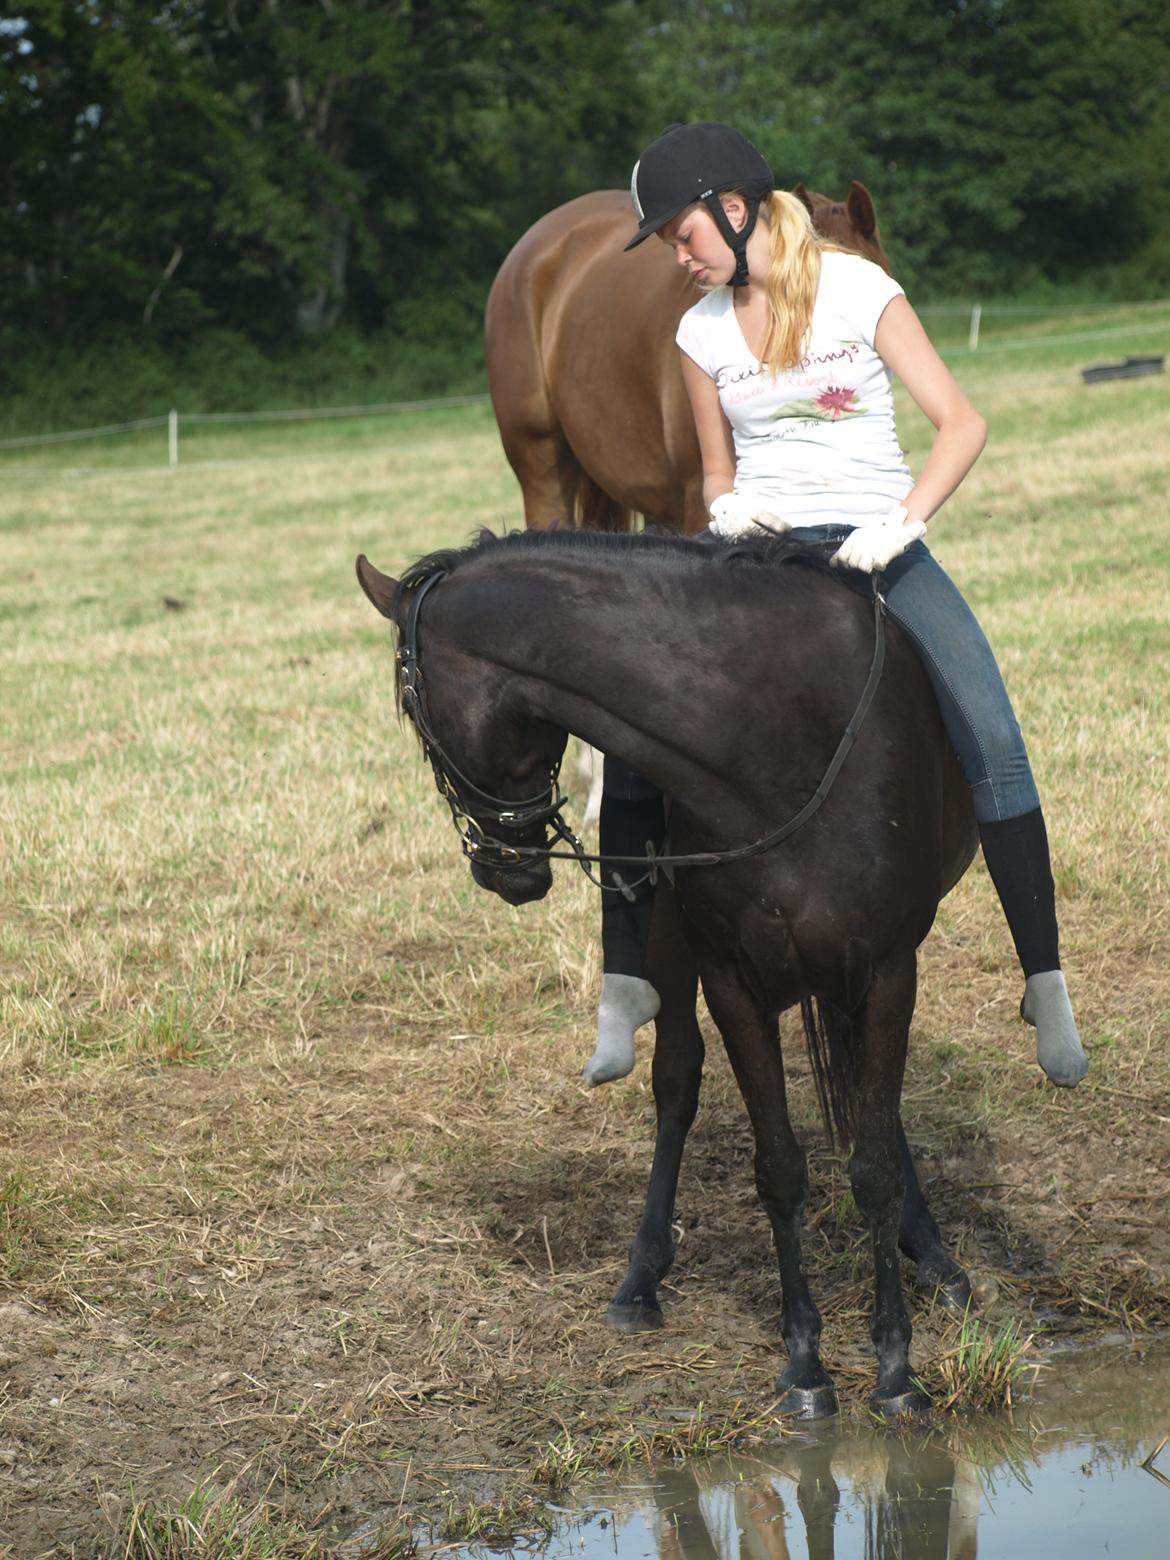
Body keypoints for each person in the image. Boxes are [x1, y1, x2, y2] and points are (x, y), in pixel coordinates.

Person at [582, 121, 1087, 1091]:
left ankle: (1045, 976)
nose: (678, 259)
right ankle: (627, 980)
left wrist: (903, 520)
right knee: (646, 721)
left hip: (876, 540)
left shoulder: (858, 287)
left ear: (732, 209)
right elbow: (717, 469)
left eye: (682, 235)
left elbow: (962, 422)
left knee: (991, 722)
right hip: (759, 552)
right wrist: (726, 506)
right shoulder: (697, 332)